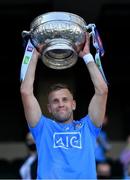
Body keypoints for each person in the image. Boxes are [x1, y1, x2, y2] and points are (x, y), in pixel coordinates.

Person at [20, 32, 108, 179]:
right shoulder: (42, 128)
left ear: (73, 104)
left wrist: (87, 56)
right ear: (49, 108)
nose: (60, 104)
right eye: (55, 101)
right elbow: (26, 92)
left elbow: (102, 91)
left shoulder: (88, 127)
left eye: (65, 99)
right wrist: (34, 55)